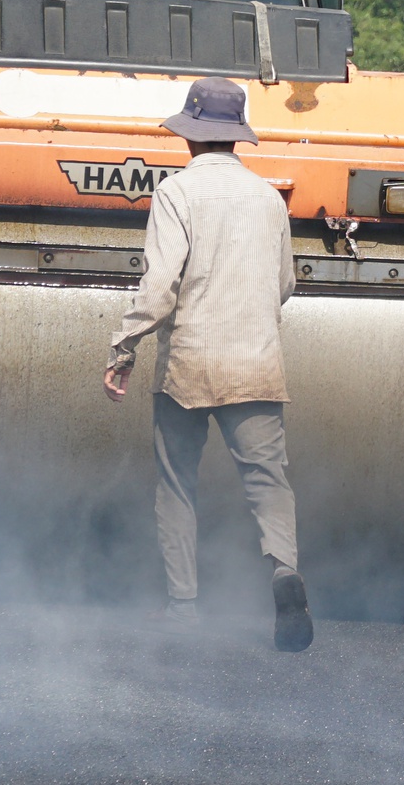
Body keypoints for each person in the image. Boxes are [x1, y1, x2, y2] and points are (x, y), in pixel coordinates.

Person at [104, 76, 312, 652]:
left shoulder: (176, 193)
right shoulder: (268, 197)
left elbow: (159, 286)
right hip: (257, 364)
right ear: (236, 139)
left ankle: (183, 607)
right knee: (268, 481)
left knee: (176, 485)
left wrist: (124, 348)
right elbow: (285, 284)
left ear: (192, 136)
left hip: (189, 367)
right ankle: (284, 570)